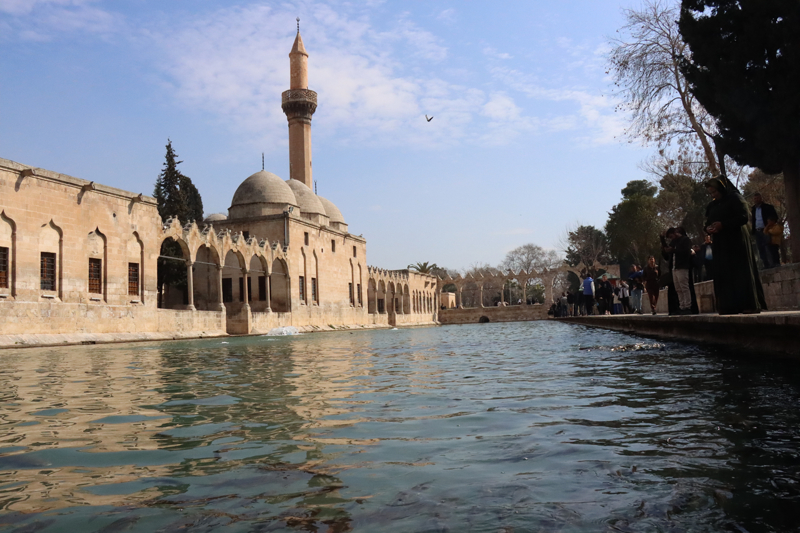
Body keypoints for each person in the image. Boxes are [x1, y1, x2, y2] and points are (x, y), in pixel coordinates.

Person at [705, 176, 767, 314]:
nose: (713, 195)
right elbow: (707, 222)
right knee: (724, 273)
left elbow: (744, 216)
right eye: (711, 193)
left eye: (715, 191)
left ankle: (748, 304)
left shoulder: (735, 198)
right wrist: (708, 229)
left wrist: (724, 224)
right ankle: (728, 306)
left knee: (740, 273)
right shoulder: (713, 205)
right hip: (721, 244)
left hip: (736, 241)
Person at [661, 227, 695, 315]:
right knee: (678, 289)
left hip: (682, 267)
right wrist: (662, 239)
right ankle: (682, 306)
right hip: (674, 268)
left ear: (676, 232)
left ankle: (687, 306)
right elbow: (667, 251)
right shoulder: (674, 242)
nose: (672, 239)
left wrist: (674, 250)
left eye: (672, 236)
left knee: (684, 287)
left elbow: (686, 252)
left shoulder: (685, 240)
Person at [751, 192, 778, 268]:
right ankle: (765, 264)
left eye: (758, 198)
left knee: (770, 246)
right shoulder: (753, 209)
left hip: (766, 230)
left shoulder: (768, 207)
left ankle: (774, 263)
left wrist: (769, 225)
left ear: (761, 198)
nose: (756, 200)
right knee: (761, 248)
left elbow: (774, 217)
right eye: (755, 198)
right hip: (757, 231)